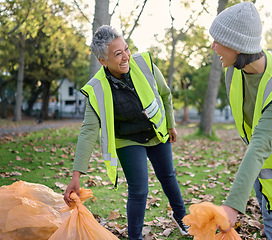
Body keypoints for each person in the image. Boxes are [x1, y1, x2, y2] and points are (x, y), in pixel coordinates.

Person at [64, 25, 189, 240]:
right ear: (103, 61)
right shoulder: (96, 89)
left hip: (155, 133)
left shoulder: (144, 63)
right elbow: (88, 132)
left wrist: (170, 123)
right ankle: (135, 238)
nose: (125, 57)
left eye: (126, 49)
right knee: (139, 190)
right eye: (118, 53)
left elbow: (165, 92)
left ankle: (183, 220)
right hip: (127, 140)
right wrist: (76, 175)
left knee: (168, 177)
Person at [208, 2, 272, 239]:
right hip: (261, 158)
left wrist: (233, 205)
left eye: (218, 41)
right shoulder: (233, 71)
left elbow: (262, 142)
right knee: (266, 212)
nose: (213, 46)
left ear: (238, 46)